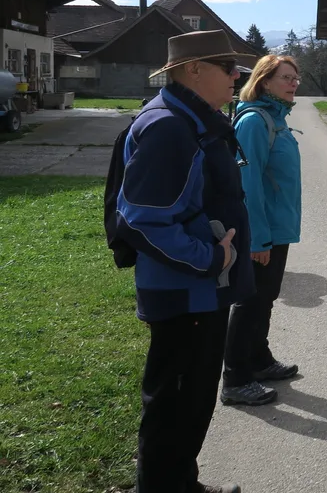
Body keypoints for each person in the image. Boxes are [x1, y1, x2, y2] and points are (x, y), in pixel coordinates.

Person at [115, 30, 254, 493]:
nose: (238, 75)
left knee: (190, 400)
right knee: (175, 403)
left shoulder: (189, 118)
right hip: (185, 291)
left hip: (197, 289)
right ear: (193, 70)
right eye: (228, 67)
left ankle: (180, 483)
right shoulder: (168, 127)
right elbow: (142, 221)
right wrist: (211, 259)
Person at [221, 55, 303, 406]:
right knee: (250, 301)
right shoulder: (255, 121)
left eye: (296, 78)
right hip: (262, 230)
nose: (293, 83)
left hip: (277, 227)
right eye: (286, 77)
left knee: (264, 298)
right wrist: (257, 238)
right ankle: (236, 379)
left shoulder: (276, 118)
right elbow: (248, 182)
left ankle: (259, 360)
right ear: (265, 81)